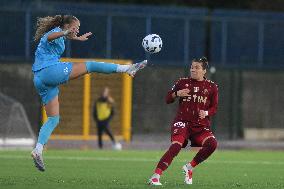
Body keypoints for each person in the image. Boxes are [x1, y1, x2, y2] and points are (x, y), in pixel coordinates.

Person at [31, 15, 147, 172]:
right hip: (49, 71)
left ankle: (38, 150)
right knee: (91, 65)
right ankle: (126, 69)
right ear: (66, 26)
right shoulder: (56, 32)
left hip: (40, 80)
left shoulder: (62, 35)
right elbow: (51, 36)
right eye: (75, 27)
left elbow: (59, 38)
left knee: (53, 118)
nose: (77, 30)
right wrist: (65, 33)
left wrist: (75, 38)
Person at [148, 57, 218, 185]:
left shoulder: (212, 87)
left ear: (204, 71)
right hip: (182, 122)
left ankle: (189, 167)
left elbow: (214, 108)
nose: (193, 69)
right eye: (192, 67)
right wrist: (177, 94)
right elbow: (168, 98)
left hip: (200, 126)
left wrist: (206, 112)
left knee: (212, 144)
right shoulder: (182, 82)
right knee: (176, 146)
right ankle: (155, 176)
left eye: (197, 67)